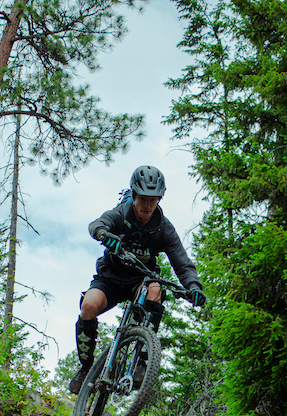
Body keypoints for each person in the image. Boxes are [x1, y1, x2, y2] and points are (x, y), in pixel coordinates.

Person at [69, 165, 206, 394]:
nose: (147, 205)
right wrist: (105, 235)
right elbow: (96, 225)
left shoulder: (163, 228)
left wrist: (193, 286)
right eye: (143, 199)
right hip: (110, 278)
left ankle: (142, 362)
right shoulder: (120, 214)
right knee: (89, 306)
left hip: (140, 282)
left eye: (153, 200)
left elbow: (182, 262)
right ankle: (85, 369)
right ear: (133, 195)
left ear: (160, 199)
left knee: (155, 292)